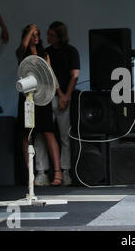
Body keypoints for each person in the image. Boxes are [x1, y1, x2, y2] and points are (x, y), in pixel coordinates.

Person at [33, 21, 80, 186]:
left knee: (65, 136)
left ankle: (65, 171)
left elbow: (74, 76)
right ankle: (42, 171)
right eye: (47, 34)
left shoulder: (71, 51)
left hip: (64, 97)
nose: (48, 38)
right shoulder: (46, 52)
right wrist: (60, 95)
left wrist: (65, 96)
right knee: (41, 134)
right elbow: (48, 76)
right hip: (47, 97)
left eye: (51, 35)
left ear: (60, 36)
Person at [16, 24, 62, 186]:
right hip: (27, 97)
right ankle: (30, 175)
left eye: (37, 34)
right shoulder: (22, 54)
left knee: (48, 132)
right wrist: (28, 31)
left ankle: (57, 173)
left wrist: (58, 94)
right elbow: (21, 48)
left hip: (43, 97)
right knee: (26, 135)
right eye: (32, 34)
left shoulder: (44, 54)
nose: (36, 37)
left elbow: (50, 75)